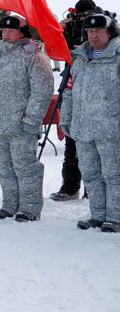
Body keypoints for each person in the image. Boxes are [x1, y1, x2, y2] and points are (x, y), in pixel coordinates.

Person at [0, 15, 54, 222]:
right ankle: (10, 205)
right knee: (5, 167)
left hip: (22, 124)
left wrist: (32, 119)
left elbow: (43, 90)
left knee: (25, 168)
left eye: (10, 31)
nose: (6, 34)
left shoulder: (33, 55)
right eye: (3, 31)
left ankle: (29, 208)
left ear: (22, 32)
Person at [60, 12, 120, 232]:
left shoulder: (117, 56)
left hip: (111, 130)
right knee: (91, 174)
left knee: (114, 174)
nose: (93, 36)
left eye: (99, 31)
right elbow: (69, 92)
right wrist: (66, 118)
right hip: (84, 129)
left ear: (110, 32)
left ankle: (115, 217)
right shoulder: (81, 57)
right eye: (90, 31)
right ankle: (98, 215)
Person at [50, 0, 99, 202]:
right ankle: (70, 186)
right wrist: (59, 32)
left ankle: (94, 189)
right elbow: (58, 53)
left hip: (95, 92)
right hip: (73, 83)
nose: (87, 26)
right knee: (71, 139)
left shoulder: (106, 28)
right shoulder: (70, 28)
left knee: (95, 145)